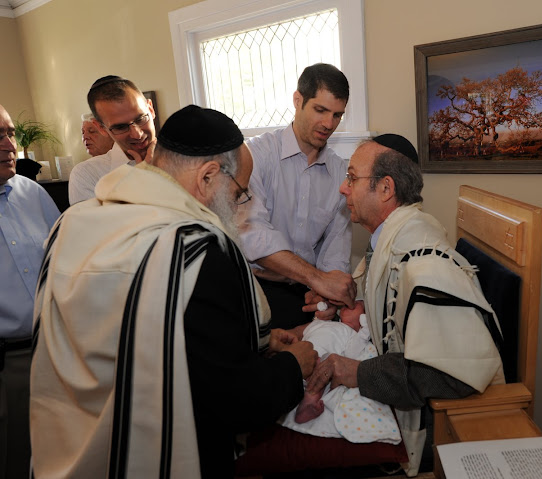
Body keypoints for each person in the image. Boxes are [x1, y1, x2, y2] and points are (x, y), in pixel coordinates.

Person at [30, 105, 318, 479]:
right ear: (208, 176)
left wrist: (256, 340)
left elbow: (136, 337)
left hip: (70, 445)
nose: (238, 206)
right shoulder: (195, 249)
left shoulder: (71, 223)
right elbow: (231, 399)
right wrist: (292, 366)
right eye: (239, 193)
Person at [308, 134, 506, 475]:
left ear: (386, 189)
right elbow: (387, 305)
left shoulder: (425, 267)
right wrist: (347, 303)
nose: (343, 188)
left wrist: (357, 372)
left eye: (352, 178)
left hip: (436, 426)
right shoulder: (393, 240)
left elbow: (448, 375)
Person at [239, 63, 356, 329]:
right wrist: (318, 279)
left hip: (308, 294)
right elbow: (253, 236)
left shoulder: (340, 172)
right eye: (320, 110)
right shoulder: (256, 155)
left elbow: (336, 250)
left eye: (337, 115)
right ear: (297, 100)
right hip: (254, 289)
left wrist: (329, 296)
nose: (329, 124)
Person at [0, 103, 60, 479]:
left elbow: (64, 263)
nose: (10, 145)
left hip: (52, 353)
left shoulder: (33, 194)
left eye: (9, 133)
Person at [279, 307, 401, 446]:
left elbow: (353, 352)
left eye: (356, 306)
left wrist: (364, 331)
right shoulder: (322, 323)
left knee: (318, 379)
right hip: (301, 355)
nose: (349, 306)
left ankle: (307, 404)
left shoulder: (351, 333)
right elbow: (304, 332)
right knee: (291, 371)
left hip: (321, 362)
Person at [68, 76, 156, 205]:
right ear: (101, 128)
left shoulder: (183, 159)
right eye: (121, 127)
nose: (137, 134)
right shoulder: (88, 174)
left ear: (151, 109)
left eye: (141, 119)